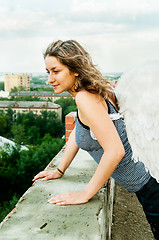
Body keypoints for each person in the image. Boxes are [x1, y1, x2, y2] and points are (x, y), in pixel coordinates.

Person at [32, 40, 159, 239]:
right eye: (47, 72)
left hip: (151, 188)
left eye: (55, 71)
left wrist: (86, 193)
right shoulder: (93, 92)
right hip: (149, 184)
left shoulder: (85, 97)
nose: (49, 79)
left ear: (74, 69)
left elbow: (115, 151)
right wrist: (59, 169)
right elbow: (79, 130)